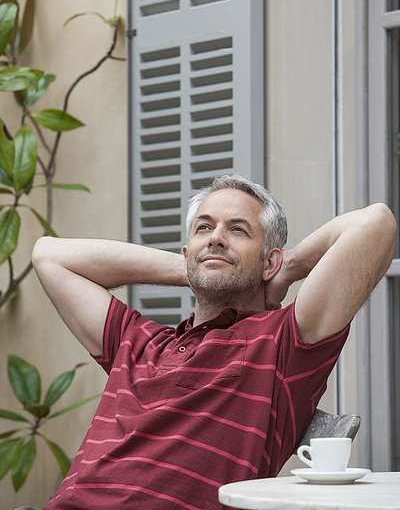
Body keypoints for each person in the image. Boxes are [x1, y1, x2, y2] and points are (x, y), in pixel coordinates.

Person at [31, 174, 396, 510]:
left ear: (269, 262)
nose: (216, 237)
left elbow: (374, 223)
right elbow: (49, 255)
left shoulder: (283, 345)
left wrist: (286, 271)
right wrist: (196, 268)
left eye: (237, 230)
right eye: (204, 228)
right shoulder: (139, 343)